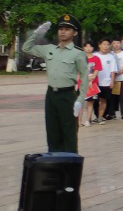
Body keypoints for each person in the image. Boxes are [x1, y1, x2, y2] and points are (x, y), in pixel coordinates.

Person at [22, 14, 92, 152]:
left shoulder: (78, 53)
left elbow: (84, 77)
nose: (63, 32)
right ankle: (54, 160)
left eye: (67, 29)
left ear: (75, 33)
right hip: (51, 95)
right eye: (60, 29)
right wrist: (37, 34)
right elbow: (26, 48)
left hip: (67, 95)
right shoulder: (49, 49)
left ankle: (70, 161)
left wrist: (80, 100)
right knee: (52, 131)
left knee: (69, 132)